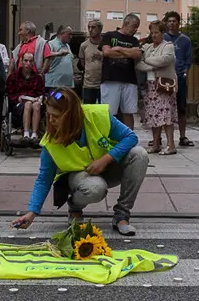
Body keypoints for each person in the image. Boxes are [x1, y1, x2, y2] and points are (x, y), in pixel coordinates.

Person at [10, 88, 148, 236]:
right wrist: (32, 213)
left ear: (70, 115)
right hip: (80, 179)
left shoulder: (97, 115)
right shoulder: (51, 143)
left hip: (107, 167)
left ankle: (122, 215)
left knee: (139, 154)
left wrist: (106, 159)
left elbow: (131, 137)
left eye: (55, 116)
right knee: (96, 189)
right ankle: (75, 207)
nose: (50, 121)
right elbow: (44, 179)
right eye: (48, 115)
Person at [136, 20, 177, 155]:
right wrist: (154, 65)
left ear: (163, 33)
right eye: (152, 32)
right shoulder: (147, 47)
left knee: (166, 115)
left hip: (163, 84)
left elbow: (166, 60)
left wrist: (147, 60)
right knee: (153, 116)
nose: (154, 35)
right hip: (150, 85)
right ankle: (155, 144)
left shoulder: (168, 46)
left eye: (157, 32)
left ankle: (171, 145)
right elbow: (138, 64)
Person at [100, 14, 142, 130]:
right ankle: (109, 138)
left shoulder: (134, 40)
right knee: (109, 112)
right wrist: (129, 52)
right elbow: (107, 52)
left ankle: (129, 139)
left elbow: (137, 54)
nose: (135, 30)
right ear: (126, 23)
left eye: (137, 27)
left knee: (129, 112)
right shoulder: (109, 35)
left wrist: (118, 49)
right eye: (134, 26)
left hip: (129, 80)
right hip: (110, 79)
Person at [163, 11, 194, 147]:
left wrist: (185, 73)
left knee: (181, 108)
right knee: (164, 108)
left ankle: (182, 136)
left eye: (174, 21)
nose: (171, 23)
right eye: (169, 21)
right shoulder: (162, 38)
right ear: (166, 23)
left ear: (178, 23)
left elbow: (188, 59)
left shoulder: (185, 40)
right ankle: (160, 138)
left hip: (180, 77)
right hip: (164, 78)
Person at [6, 52, 46, 142]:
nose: (28, 63)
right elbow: (9, 94)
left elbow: (41, 93)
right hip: (18, 107)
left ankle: (34, 135)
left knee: (36, 105)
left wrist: (40, 98)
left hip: (35, 105)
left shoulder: (37, 78)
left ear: (33, 63)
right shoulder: (13, 77)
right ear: (21, 61)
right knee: (27, 104)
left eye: (30, 61)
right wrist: (18, 98)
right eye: (26, 61)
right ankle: (26, 134)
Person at [79, 19, 103, 104]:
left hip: (103, 84)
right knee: (88, 109)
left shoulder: (106, 44)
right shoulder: (84, 45)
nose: (90, 30)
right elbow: (83, 64)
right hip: (88, 84)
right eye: (88, 27)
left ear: (100, 29)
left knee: (102, 110)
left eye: (93, 27)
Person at [43, 25, 75, 89]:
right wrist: (58, 53)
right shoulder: (51, 44)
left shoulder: (67, 46)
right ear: (61, 33)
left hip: (67, 85)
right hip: (54, 84)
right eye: (69, 34)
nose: (71, 37)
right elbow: (45, 55)